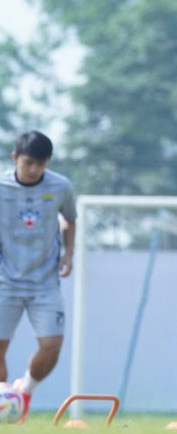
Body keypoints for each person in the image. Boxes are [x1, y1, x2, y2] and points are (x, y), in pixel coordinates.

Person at [0, 131, 77, 424]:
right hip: (4, 281)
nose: (34, 170)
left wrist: (68, 254)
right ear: (15, 158)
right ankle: (5, 401)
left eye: (41, 164)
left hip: (45, 282)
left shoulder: (61, 187)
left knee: (52, 345)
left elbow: (70, 219)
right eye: (29, 162)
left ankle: (25, 390)